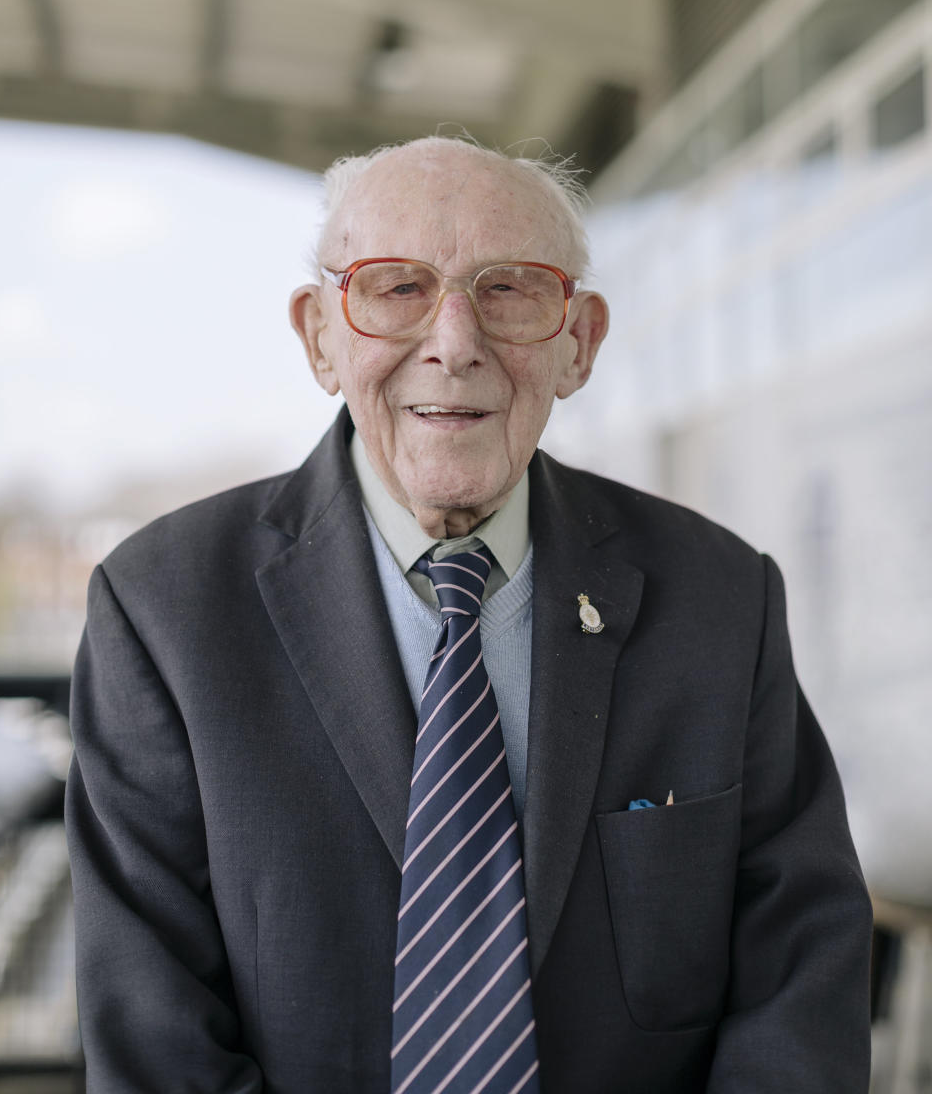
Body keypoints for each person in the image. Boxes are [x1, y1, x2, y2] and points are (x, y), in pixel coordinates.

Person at [65, 134, 873, 1093]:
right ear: (321, 335)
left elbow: (799, 976)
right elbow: (156, 1042)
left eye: (510, 289)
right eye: (397, 288)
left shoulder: (721, 599)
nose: (455, 343)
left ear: (579, 342)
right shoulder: (163, 611)